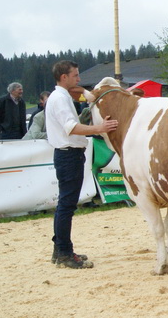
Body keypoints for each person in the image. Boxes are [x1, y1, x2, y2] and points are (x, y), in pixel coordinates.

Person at [46, 60, 119, 269]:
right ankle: (65, 253)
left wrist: (86, 93)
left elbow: (77, 94)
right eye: (75, 75)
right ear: (64, 77)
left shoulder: (60, 95)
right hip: (69, 155)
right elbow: (72, 128)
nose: (78, 79)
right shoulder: (59, 99)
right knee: (67, 206)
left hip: (68, 155)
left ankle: (60, 249)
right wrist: (100, 128)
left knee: (65, 205)